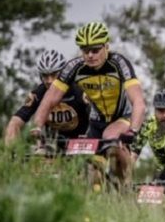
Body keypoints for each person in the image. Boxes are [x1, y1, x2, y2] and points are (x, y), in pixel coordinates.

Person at [31, 22, 146, 186]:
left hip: (122, 117)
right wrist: (37, 126)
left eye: (95, 50)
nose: (90, 55)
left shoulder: (119, 63)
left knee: (111, 138)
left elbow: (139, 102)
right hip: (96, 122)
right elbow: (49, 99)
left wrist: (133, 130)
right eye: (85, 51)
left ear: (106, 46)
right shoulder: (74, 67)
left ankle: (125, 187)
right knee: (89, 169)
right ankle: (99, 196)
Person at [4, 49, 90, 146]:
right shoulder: (39, 93)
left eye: (54, 75)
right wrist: (10, 149)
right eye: (45, 76)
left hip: (80, 143)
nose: (50, 81)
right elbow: (16, 121)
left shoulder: (79, 90)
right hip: (52, 145)